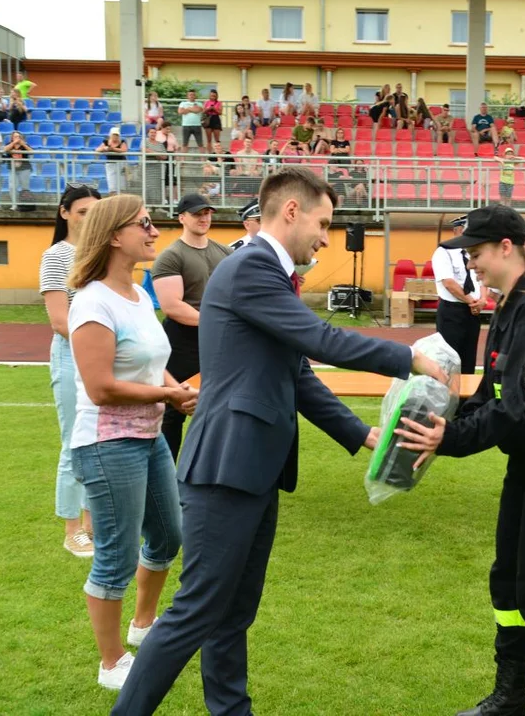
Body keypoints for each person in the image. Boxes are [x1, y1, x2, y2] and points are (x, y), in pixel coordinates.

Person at [111, 167, 445, 715]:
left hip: (252, 469)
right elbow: (321, 338)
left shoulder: (264, 271)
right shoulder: (252, 268)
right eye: (323, 222)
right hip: (225, 468)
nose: (325, 237)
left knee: (233, 610)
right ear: (291, 211)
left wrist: (363, 434)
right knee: (196, 611)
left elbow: (297, 375)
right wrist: (406, 357)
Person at [395, 204, 525, 716]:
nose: (473, 266)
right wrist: (442, 425)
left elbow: (516, 409)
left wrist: (449, 439)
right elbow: (492, 391)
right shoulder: (514, 304)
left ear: (507, 248)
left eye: (477, 253)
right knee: (507, 580)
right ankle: (510, 695)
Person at [67, 194, 196, 690]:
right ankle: (111, 661)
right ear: (115, 235)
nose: (154, 231)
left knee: (168, 536)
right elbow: (100, 387)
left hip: (147, 435)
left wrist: (171, 386)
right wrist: (166, 391)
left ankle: (143, 624)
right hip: (106, 443)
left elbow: (147, 360)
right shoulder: (92, 301)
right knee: (116, 555)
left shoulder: (139, 296)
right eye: (143, 223)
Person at [40, 185, 101, 557]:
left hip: (101, 353)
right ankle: (72, 529)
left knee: (97, 439)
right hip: (72, 353)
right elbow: (60, 320)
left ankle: (93, 525)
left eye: (95, 211)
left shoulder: (100, 253)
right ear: (64, 213)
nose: (88, 218)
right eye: (82, 212)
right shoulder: (55, 256)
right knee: (72, 441)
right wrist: (97, 344)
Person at [150, 194, 232, 462]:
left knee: (220, 406)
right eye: (198, 213)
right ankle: (167, 474)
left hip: (218, 340)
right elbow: (172, 306)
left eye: (208, 212)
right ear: (182, 217)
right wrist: (217, 322)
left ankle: (210, 472)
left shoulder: (225, 253)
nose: (204, 218)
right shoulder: (171, 256)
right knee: (176, 408)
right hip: (183, 341)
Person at [433, 216, 488, 374]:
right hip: (452, 311)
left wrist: (483, 300)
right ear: (457, 230)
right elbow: (449, 283)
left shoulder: (475, 252)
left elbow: (482, 278)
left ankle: (467, 397)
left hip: (473, 311)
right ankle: (449, 396)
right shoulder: (444, 252)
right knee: (449, 359)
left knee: (468, 358)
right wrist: (471, 301)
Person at [2, 130, 34, 207]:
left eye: (19, 137)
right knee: (12, 187)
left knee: (25, 187)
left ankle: (25, 205)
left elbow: (32, 152)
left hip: (25, 169)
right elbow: (4, 150)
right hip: (13, 169)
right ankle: (14, 204)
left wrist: (24, 144)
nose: (17, 138)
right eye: (15, 137)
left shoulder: (24, 145)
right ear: (12, 138)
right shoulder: (9, 144)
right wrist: (13, 143)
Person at [96, 128, 129, 195]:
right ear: (110, 135)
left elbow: (124, 150)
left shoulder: (122, 142)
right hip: (110, 165)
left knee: (122, 185)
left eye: (117, 135)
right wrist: (104, 148)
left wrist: (113, 149)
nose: (115, 137)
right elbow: (97, 149)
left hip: (121, 164)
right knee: (112, 185)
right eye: (114, 135)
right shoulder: (106, 142)